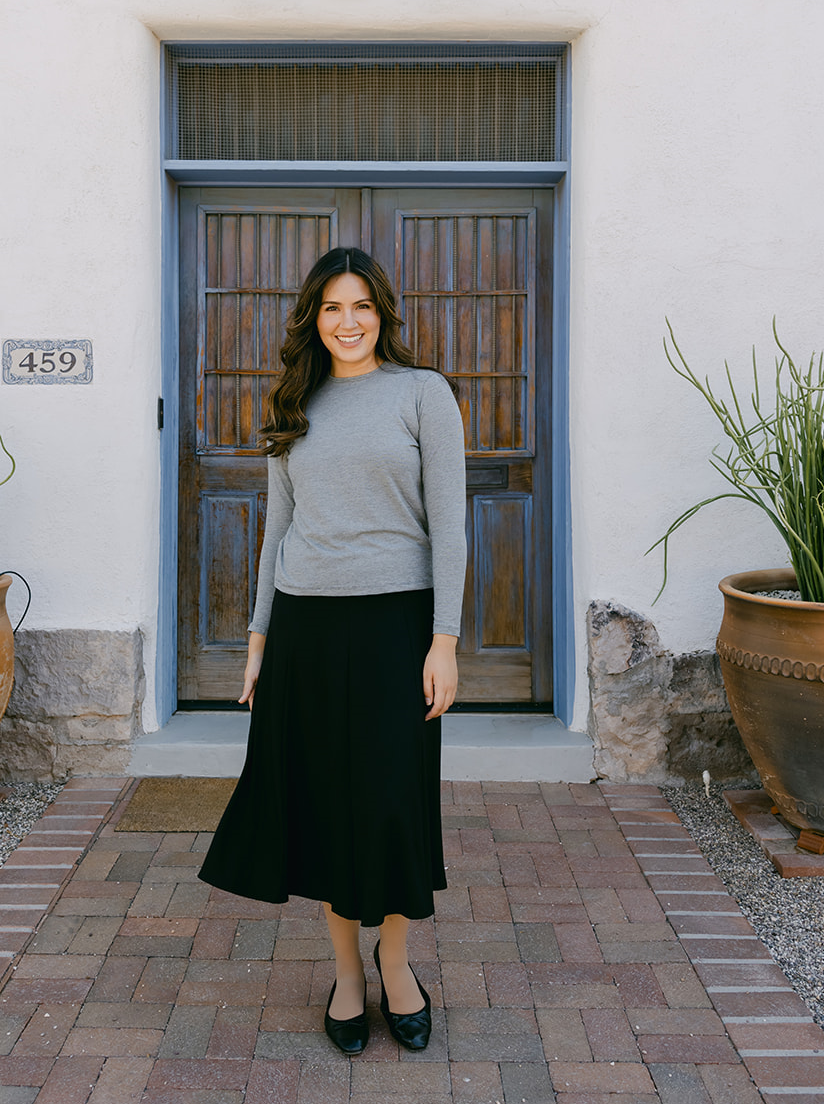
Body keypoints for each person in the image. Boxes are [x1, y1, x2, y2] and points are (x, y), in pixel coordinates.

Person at [198, 246, 467, 1055]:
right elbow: (276, 530)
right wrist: (256, 641)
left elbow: (450, 526)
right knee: (321, 805)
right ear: (313, 319)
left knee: (387, 804)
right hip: (306, 628)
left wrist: (444, 641)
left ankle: (396, 961)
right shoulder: (294, 402)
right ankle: (346, 975)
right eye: (330, 309)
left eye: (360, 307)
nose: (346, 323)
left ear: (382, 313)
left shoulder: (423, 394)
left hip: (395, 626)